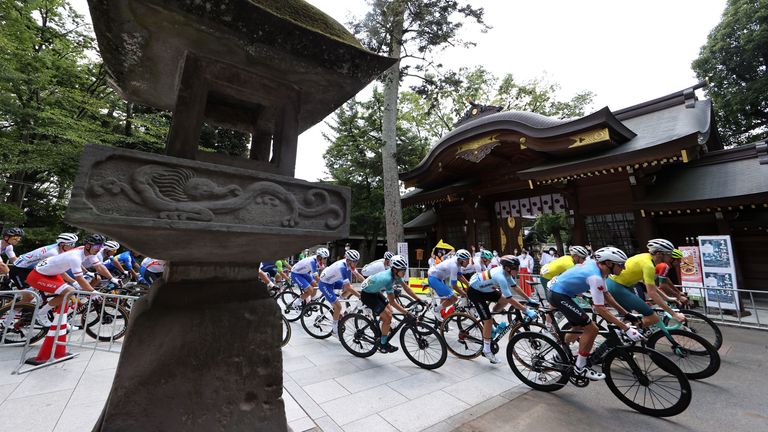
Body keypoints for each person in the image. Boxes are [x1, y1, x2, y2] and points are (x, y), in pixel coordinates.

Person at [548, 247, 641, 380]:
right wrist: (625, 328)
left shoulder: (598, 268)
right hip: (558, 294)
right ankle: (580, 368)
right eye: (621, 265)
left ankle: (560, 352)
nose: (624, 268)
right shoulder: (595, 276)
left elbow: (607, 295)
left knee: (579, 327)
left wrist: (626, 314)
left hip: (560, 291)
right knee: (592, 328)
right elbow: (600, 308)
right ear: (609, 263)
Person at [23, 234, 108, 365]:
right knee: (69, 292)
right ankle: (41, 313)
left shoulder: (89, 252)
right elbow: (80, 278)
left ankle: (59, 321)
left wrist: (112, 278)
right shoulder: (75, 256)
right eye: (97, 246)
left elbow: (100, 267)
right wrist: (93, 292)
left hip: (53, 274)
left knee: (68, 295)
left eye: (101, 247)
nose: (99, 249)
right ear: (88, 245)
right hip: (38, 275)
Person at [467, 255, 539, 364]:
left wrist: (528, 299)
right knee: (488, 320)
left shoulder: (506, 273)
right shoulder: (500, 276)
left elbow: (515, 287)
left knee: (503, 300)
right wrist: (526, 310)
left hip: (486, 289)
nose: (518, 270)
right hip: (475, 292)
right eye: (516, 268)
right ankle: (487, 350)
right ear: (507, 268)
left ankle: (489, 320)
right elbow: (510, 298)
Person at [606, 239, 686, 331]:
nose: (671, 258)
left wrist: (667, 298)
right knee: (653, 318)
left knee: (631, 316)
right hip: (617, 287)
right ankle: (621, 333)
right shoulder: (649, 265)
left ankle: (623, 332)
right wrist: (674, 314)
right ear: (659, 254)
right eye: (669, 255)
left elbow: (652, 286)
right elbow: (652, 293)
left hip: (622, 285)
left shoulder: (648, 259)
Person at [359, 255, 423, 353]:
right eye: (403, 270)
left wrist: (418, 299)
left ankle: (382, 327)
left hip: (374, 291)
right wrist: (405, 312)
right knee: (388, 317)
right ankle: (383, 343)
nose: (404, 272)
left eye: (405, 270)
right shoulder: (388, 279)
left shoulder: (395, 274)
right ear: (394, 270)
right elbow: (392, 301)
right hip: (367, 295)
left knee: (390, 311)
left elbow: (406, 288)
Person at [5, 233, 79, 290]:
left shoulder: (60, 248)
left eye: (74, 244)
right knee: (29, 297)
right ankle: (10, 309)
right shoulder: (53, 252)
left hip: (30, 269)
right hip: (19, 269)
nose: (73, 246)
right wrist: (73, 282)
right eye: (71, 244)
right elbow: (59, 270)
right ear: (62, 244)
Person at [318, 249, 361, 336]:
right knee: (339, 307)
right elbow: (347, 287)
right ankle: (334, 331)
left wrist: (367, 284)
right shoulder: (342, 267)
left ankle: (337, 300)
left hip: (332, 281)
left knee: (350, 289)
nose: (356, 263)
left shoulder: (350, 265)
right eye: (355, 261)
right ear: (348, 260)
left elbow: (358, 275)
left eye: (357, 261)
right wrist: (360, 296)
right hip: (324, 284)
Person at [427, 249, 471, 321]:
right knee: (454, 298)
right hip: (433, 278)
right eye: (467, 260)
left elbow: (459, 276)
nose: (469, 263)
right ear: (461, 260)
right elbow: (454, 286)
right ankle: (435, 310)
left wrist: (469, 285)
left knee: (444, 299)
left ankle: (442, 322)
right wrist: (464, 293)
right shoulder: (454, 266)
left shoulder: (458, 263)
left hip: (438, 278)